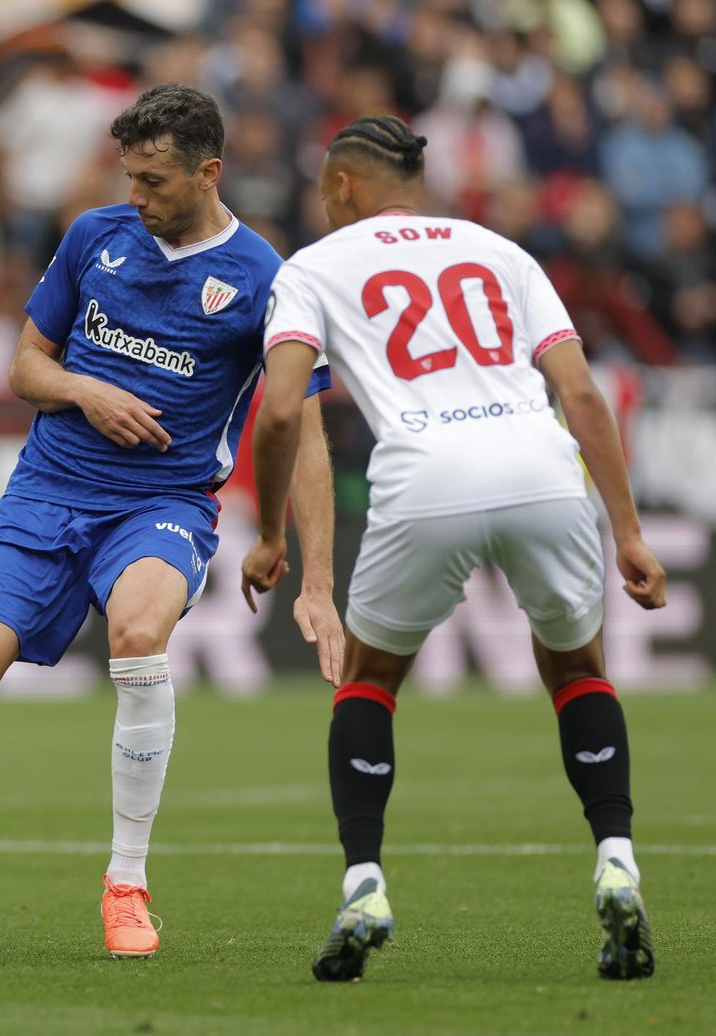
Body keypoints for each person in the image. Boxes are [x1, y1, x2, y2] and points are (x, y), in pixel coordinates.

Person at [0, 85, 342, 961]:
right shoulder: (93, 238)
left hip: (163, 505)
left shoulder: (268, 279)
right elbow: (24, 366)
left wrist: (311, 571)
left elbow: (300, 428)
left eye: (154, 180)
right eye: (129, 176)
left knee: (139, 634)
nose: (138, 195)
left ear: (208, 172)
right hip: (43, 495)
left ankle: (126, 881)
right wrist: (85, 388)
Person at [244, 115, 666, 982]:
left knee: (369, 680)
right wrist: (627, 529)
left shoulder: (312, 268)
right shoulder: (501, 251)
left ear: (345, 187)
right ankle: (616, 858)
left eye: (326, 190)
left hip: (426, 472)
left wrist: (266, 533)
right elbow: (580, 391)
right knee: (577, 667)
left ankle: (364, 882)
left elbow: (284, 410)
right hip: (541, 465)